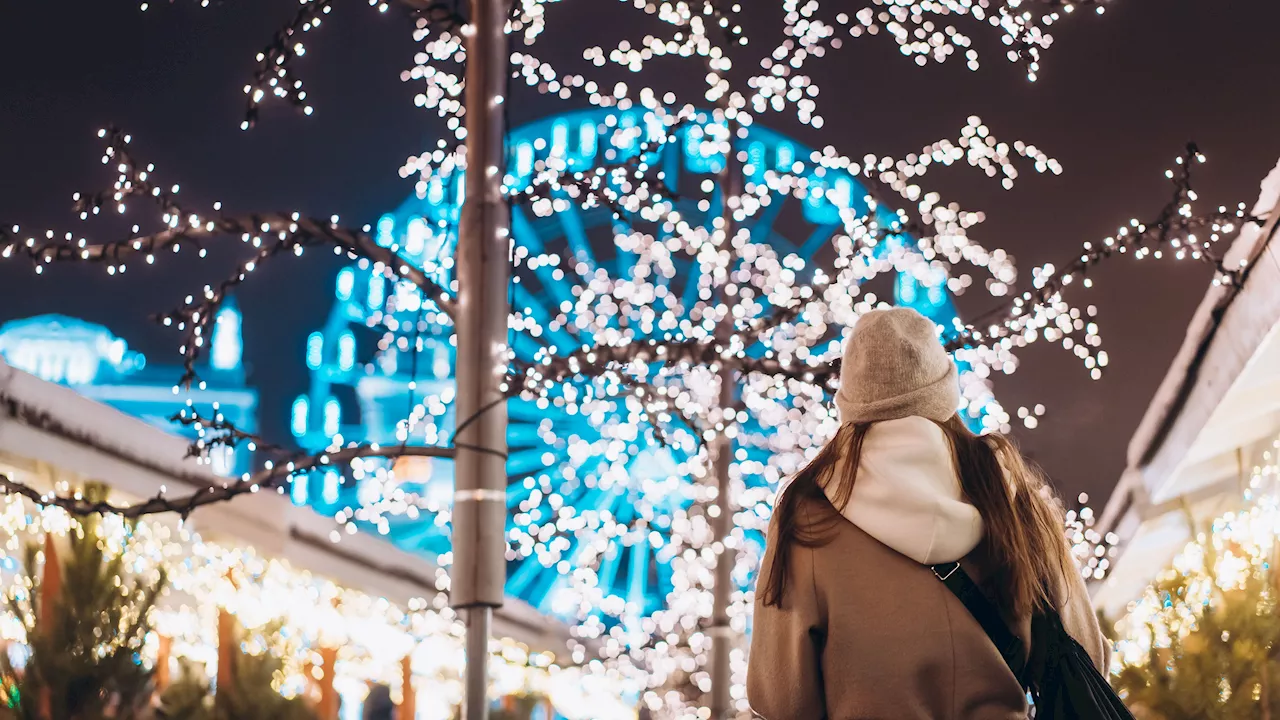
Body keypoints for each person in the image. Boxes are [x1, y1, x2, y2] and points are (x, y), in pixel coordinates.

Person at [746, 307, 1108, 720]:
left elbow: (779, 698)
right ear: (943, 390)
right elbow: (1086, 652)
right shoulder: (1008, 492)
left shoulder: (809, 512)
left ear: (850, 398)